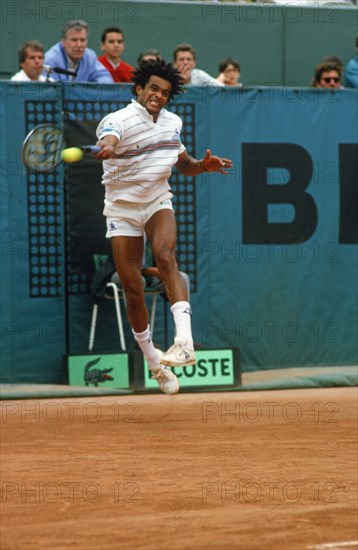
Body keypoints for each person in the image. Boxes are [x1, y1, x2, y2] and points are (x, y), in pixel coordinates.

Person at [94, 59, 232, 394]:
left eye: (165, 92)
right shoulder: (117, 120)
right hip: (122, 210)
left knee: (166, 256)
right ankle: (155, 364)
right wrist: (109, 146)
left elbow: (183, 164)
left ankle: (183, 341)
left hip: (157, 200)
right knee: (133, 291)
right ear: (139, 89)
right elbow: (110, 138)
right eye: (153, 88)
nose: (159, 95)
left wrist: (203, 165)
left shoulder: (173, 123)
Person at [44, 20, 112, 83]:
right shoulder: (50, 59)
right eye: (74, 40)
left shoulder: (90, 56)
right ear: (63, 41)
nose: (79, 45)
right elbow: (51, 90)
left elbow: (106, 80)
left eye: (82, 40)